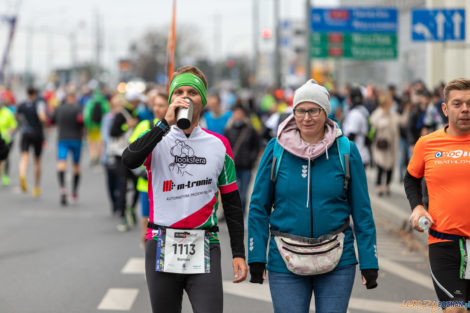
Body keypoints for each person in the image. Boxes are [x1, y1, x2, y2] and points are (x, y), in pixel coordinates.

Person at [122, 65, 247, 313]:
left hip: (205, 244)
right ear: (170, 99)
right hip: (161, 242)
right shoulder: (156, 137)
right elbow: (129, 159)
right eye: (179, 92)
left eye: (192, 92)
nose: (186, 97)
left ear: (203, 99)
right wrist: (163, 124)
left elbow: (232, 203)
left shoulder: (219, 144)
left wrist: (238, 253)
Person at [248, 79, 378, 313]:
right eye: (300, 111)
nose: (306, 118)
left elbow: (362, 211)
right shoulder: (275, 149)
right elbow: (258, 207)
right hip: (284, 258)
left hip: (338, 259)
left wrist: (369, 260)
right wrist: (256, 255)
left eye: (313, 110)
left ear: (325, 112)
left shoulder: (346, 150)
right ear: (293, 112)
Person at [405, 78, 470, 313]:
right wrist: (417, 207)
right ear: (445, 108)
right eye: (457, 103)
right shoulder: (427, 144)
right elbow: (411, 178)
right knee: (455, 309)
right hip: (444, 244)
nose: (465, 109)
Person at [128, 90, 169, 247]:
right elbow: (131, 151)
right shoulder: (145, 125)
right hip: (146, 185)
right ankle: (147, 249)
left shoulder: (176, 130)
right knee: (146, 221)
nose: (157, 109)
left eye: (161, 105)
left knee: (163, 222)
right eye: (155, 105)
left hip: (166, 187)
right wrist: (140, 171)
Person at [110, 90, 140, 231]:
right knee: (122, 185)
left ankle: (130, 208)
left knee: (137, 184)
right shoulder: (121, 115)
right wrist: (126, 126)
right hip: (119, 154)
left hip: (132, 153)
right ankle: (122, 217)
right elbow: (113, 132)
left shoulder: (136, 114)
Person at [370, 92, 409, 196]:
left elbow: (402, 121)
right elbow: (373, 123)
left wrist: (407, 111)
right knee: (380, 165)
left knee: (390, 166)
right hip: (380, 145)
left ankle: (387, 186)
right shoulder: (378, 113)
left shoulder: (393, 114)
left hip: (391, 146)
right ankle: (379, 186)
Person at [223, 104, 260, 214]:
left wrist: (251, 160)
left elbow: (256, 147)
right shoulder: (228, 130)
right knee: (232, 192)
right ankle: (232, 214)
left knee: (243, 194)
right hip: (232, 167)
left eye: (240, 113)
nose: (238, 115)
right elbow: (224, 147)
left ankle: (241, 214)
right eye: (236, 113)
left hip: (246, 167)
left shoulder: (250, 130)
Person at [51, 90, 84, 205]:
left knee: (61, 163)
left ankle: (63, 188)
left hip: (62, 139)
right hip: (76, 139)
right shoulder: (78, 109)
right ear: (74, 98)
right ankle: (74, 192)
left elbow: (52, 121)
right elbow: (81, 122)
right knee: (76, 166)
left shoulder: (59, 108)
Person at [16, 86, 47, 196]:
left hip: (25, 133)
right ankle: (36, 187)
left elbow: (17, 116)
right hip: (37, 133)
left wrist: (22, 124)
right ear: (35, 93)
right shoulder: (38, 104)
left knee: (24, 156)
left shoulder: (22, 105)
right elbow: (42, 117)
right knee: (37, 160)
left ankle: (22, 174)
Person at [342, 86, 371, 168]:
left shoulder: (355, 114)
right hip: (362, 154)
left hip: (356, 156)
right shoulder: (363, 110)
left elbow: (351, 136)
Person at [0, 97, 17, 186]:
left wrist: (8, 132)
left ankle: (5, 175)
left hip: (6, 140)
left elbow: (14, 125)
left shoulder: (7, 113)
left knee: (5, 158)